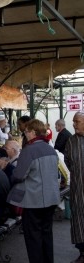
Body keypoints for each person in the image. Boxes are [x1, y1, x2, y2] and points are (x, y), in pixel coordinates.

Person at [8, 119, 60, 263]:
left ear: (33, 132)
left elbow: (19, 175)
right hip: (51, 199)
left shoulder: (29, 150)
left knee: (33, 238)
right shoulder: (50, 149)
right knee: (46, 235)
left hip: (33, 201)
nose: (25, 134)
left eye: (26, 132)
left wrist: (11, 173)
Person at [64, 111, 84, 263]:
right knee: (78, 221)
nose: (74, 124)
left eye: (77, 121)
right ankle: (82, 252)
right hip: (78, 189)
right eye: (74, 121)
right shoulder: (71, 140)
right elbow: (68, 161)